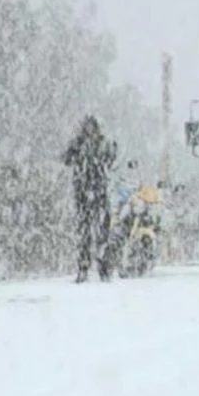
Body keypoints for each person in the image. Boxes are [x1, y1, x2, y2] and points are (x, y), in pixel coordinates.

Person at [62, 115, 118, 283]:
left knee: (103, 233)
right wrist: (75, 152)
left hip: (100, 192)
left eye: (92, 126)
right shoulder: (78, 143)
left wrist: (109, 156)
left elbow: (111, 161)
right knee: (84, 233)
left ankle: (104, 268)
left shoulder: (103, 143)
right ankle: (83, 267)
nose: (89, 129)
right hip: (83, 193)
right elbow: (67, 159)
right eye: (87, 126)